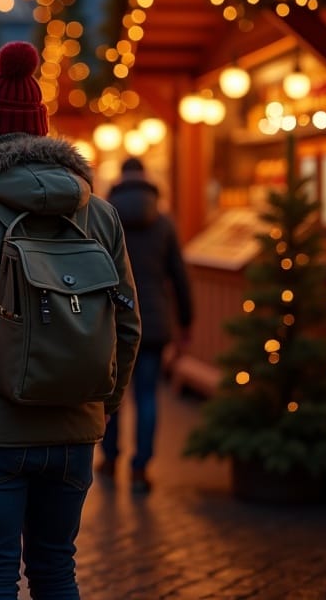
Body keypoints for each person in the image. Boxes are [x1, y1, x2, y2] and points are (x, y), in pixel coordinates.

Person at [0, 41, 141, 600]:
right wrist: (101, 405)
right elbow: (128, 324)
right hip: (73, 425)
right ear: (40, 129)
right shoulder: (99, 211)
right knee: (56, 568)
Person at [99, 156, 193, 494]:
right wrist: (186, 323)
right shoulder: (165, 223)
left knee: (110, 395)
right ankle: (141, 468)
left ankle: (109, 458)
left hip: (110, 322)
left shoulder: (103, 218)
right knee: (148, 397)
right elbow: (179, 279)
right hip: (153, 323)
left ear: (121, 179)